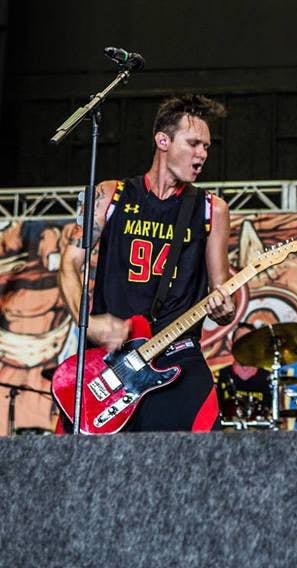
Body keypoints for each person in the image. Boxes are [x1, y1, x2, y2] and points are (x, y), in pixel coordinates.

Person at [59, 94, 234, 432]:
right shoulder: (110, 195)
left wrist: (224, 309)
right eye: (193, 143)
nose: (202, 155)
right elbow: (69, 264)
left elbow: (220, 294)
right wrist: (87, 323)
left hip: (177, 353)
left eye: (207, 147)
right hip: (111, 358)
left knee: (204, 450)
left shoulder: (212, 209)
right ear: (163, 141)